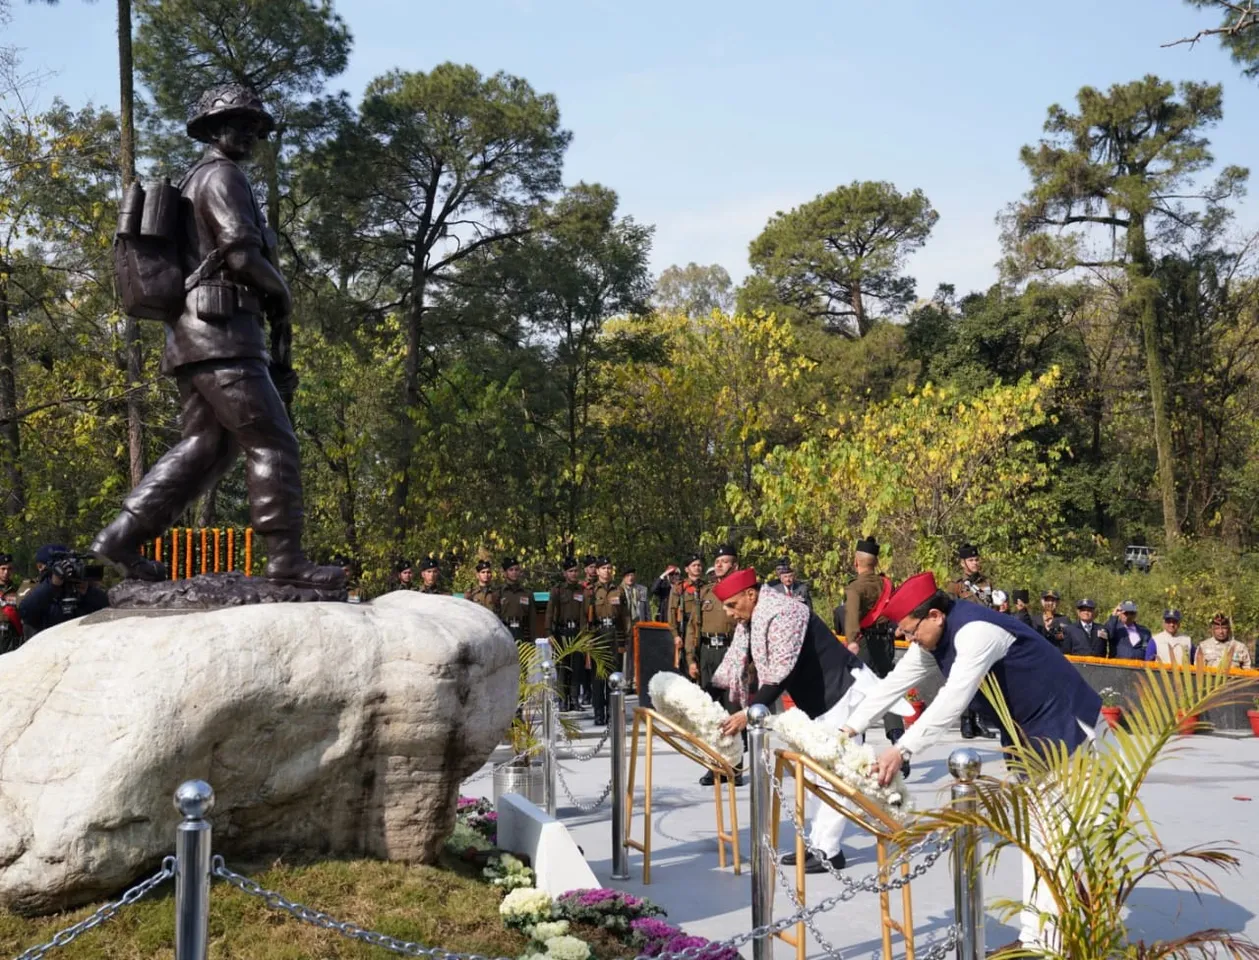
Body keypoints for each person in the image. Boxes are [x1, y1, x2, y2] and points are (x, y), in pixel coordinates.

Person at [91, 84, 343, 590]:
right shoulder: (223, 176)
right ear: (210, 129)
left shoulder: (194, 178)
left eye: (255, 126)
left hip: (194, 337)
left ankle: (121, 537)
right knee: (272, 440)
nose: (249, 133)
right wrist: (284, 293)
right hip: (222, 334)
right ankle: (286, 559)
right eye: (238, 123)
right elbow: (241, 254)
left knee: (206, 447)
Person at [840, 571, 1103, 952]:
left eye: (910, 630)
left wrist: (901, 749)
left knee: (1055, 843)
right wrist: (847, 730)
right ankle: (1037, 938)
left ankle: (1052, 940)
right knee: (1037, 839)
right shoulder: (932, 641)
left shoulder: (975, 631)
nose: (906, 639)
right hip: (1028, 737)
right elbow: (893, 685)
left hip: (1067, 727)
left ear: (935, 615)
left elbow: (952, 700)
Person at [712, 567, 910, 874]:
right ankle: (817, 843)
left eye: (732, 605)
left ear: (751, 595)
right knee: (816, 776)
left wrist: (748, 713)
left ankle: (829, 851)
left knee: (835, 774)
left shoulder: (785, 613)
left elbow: (780, 673)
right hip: (819, 703)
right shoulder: (756, 618)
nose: (728, 613)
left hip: (842, 694)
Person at [844, 537, 905, 765]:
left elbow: (851, 617)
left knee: (857, 694)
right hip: (886, 643)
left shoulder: (855, 587)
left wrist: (851, 641)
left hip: (866, 645)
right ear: (875, 563)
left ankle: (857, 748)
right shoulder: (886, 584)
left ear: (856, 562)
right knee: (887, 691)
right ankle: (898, 739)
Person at [689, 543, 744, 786]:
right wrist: (691, 658)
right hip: (707, 652)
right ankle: (713, 767)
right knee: (710, 713)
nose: (719, 564)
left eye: (725, 561)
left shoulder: (742, 593)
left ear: (735, 565)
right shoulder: (706, 592)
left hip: (730, 650)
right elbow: (693, 627)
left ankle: (735, 768)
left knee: (731, 711)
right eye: (718, 561)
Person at [947, 544, 998, 740]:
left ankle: (979, 720)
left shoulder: (986, 583)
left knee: (982, 678)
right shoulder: (955, 585)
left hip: (984, 634)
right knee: (965, 677)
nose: (975, 563)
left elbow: (991, 606)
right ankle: (966, 720)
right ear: (963, 563)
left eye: (977, 560)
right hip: (964, 634)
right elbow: (949, 610)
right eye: (971, 560)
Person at [18, 552, 110, 635]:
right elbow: (25, 612)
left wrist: (88, 591)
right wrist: (53, 585)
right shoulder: (39, 589)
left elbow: (108, 610)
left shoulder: (83, 592)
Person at [587, 557, 627, 726]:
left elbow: (625, 617)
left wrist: (624, 641)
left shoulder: (619, 590)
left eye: (609, 568)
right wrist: (587, 640)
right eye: (603, 568)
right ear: (597, 571)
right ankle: (599, 712)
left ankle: (613, 711)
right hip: (598, 635)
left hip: (615, 636)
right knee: (598, 677)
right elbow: (585, 618)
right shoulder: (591, 591)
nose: (607, 571)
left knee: (614, 676)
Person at [548, 557, 586, 712]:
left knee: (577, 666)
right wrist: (549, 632)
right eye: (571, 571)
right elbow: (550, 612)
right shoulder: (558, 590)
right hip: (561, 631)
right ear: (565, 573)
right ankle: (563, 700)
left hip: (577, 631)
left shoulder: (581, 590)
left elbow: (584, 613)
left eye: (576, 571)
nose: (574, 574)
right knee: (562, 666)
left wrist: (584, 634)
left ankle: (575, 699)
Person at [668, 553, 705, 673]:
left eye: (699, 565)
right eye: (694, 565)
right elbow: (672, 611)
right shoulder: (680, 587)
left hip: (702, 629)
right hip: (685, 629)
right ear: (686, 569)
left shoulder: (706, 587)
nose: (697, 567)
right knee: (686, 665)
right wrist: (675, 634)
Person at [499, 557, 534, 649]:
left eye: (516, 569)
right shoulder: (499, 592)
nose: (514, 572)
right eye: (511, 570)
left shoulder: (527, 593)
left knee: (522, 662)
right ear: (505, 572)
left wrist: (533, 640)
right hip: (505, 633)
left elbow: (532, 619)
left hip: (522, 633)